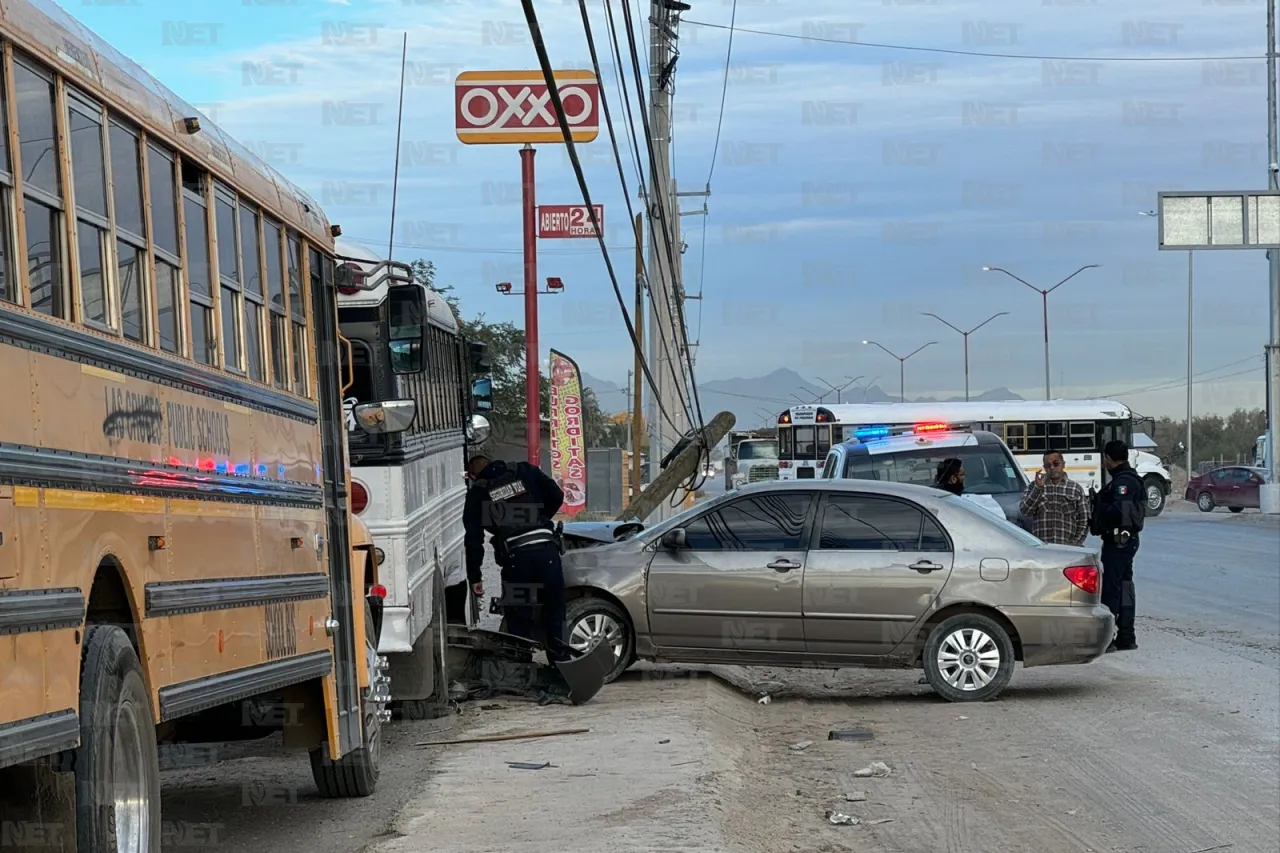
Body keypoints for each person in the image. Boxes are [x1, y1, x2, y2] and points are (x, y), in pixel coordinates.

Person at [462, 454, 571, 661]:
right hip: (547, 553)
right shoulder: (524, 470)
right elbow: (556, 495)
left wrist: (474, 576)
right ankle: (563, 667)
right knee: (555, 613)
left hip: (518, 560)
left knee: (520, 617)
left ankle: (521, 669)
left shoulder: (478, 492)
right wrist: (538, 518)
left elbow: (474, 539)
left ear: (473, 476)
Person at [1091, 440, 1145, 652]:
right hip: (1124, 542)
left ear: (1108, 459)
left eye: (1105, 459)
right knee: (1124, 588)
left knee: (1113, 590)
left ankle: (1110, 638)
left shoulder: (1124, 483)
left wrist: (1099, 510)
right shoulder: (1127, 479)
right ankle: (1126, 635)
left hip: (1119, 542)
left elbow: (1119, 512)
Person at [1019, 450, 1089, 546]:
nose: (1052, 468)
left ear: (1063, 464)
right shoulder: (1033, 486)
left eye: (1056, 464)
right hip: (1042, 548)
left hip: (1068, 548)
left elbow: (1084, 519)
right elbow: (1025, 511)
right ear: (1044, 468)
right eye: (1048, 465)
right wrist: (1038, 488)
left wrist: (1075, 543)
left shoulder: (1075, 488)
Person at [933, 457, 1005, 521]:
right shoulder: (952, 503)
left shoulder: (931, 497)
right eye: (962, 474)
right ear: (953, 479)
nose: (965, 477)